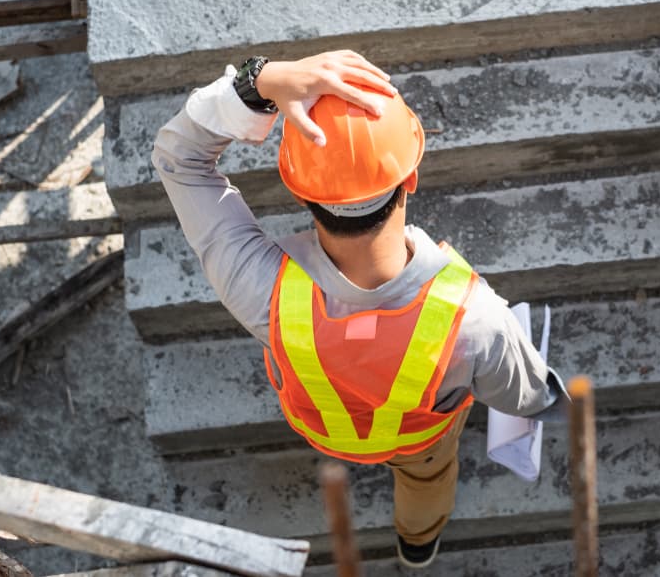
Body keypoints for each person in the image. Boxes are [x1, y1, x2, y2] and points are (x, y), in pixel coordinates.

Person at [152, 50, 567, 569]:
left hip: (322, 427)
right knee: (426, 481)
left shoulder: (260, 287)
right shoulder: (476, 320)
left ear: (301, 191)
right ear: (409, 178)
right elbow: (527, 398)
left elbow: (179, 157)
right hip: (420, 441)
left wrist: (256, 82)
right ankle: (417, 546)